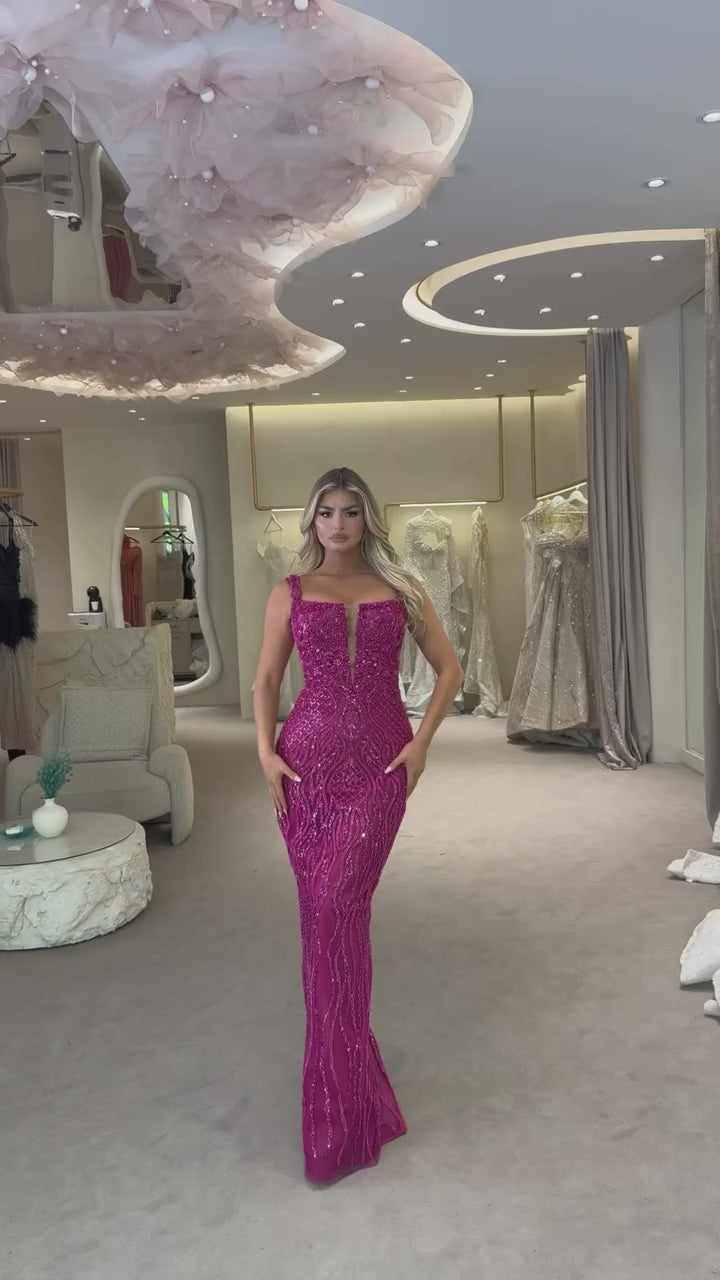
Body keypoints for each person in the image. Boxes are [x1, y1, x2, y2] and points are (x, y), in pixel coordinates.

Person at [253, 467, 464, 1185]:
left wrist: (422, 743)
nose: (338, 525)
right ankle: (346, 1089)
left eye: (350, 512)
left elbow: (449, 669)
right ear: (311, 521)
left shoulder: (401, 588)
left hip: (380, 765)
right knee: (323, 920)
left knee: (341, 903)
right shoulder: (289, 591)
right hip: (305, 767)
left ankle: (341, 1104)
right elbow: (266, 680)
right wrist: (265, 754)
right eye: (326, 513)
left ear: (368, 518)